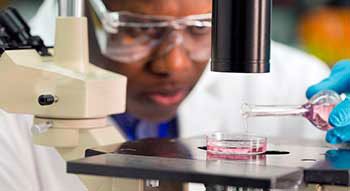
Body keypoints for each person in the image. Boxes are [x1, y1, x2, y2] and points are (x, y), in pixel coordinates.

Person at [0, 0, 334, 190]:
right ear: (86, 12)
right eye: (141, 30)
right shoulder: (9, 101)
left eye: (201, 28)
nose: (172, 64)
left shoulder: (296, 78)